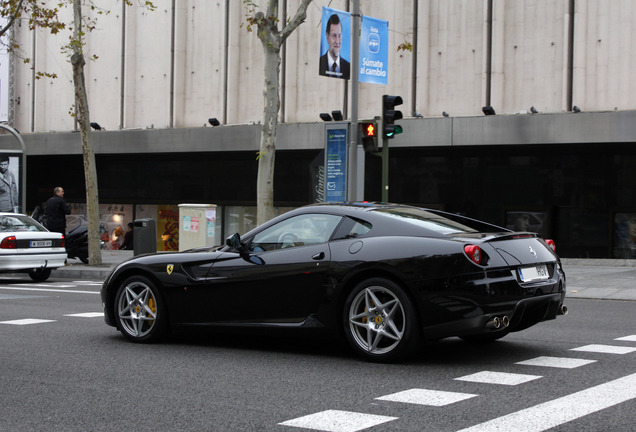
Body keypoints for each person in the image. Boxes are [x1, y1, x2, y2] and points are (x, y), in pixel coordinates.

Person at [319, 14, 350, 79]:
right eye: (334, 35)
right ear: (327, 37)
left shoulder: (348, 67)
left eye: (339, 36)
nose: (337, 41)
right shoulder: (320, 63)